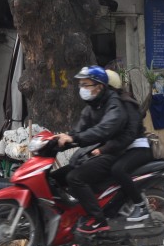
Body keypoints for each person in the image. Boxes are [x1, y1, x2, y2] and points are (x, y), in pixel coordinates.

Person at [53, 66, 128, 234]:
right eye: (81, 85)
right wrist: (62, 139)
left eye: (86, 85)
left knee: (74, 178)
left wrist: (75, 138)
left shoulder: (114, 104)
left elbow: (104, 129)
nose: (83, 89)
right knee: (56, 177)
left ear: (99, 86)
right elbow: (79, 130)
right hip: (96, 151)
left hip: (112, 152)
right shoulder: (92, 105)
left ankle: (98, 220)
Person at [104, 70, 153, 222]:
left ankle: (141, 206)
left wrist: (109, 146)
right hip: (125, 148)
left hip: (139, 149)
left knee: (118, 170)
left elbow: (130, 133)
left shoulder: (127, 103)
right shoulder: (112, 104)